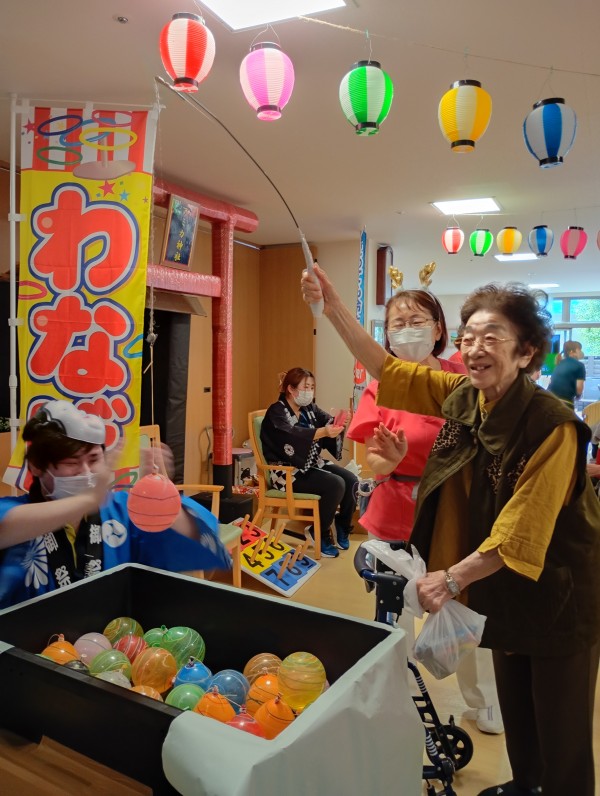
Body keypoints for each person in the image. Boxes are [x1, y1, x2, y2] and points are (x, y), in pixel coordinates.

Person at [302, 264, 600, 796]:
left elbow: (522, 527)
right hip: (503, 581)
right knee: (517, 707)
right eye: (470, 337)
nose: (476, 348)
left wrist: (452, 578)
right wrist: (332, 306)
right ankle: (524, 786)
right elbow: (387, 369)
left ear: (526, 352)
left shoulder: (553, 426)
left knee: (561, 729)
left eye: (493, 337)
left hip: (560, 590)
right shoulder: (465, 394)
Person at [347, 289, 504, 734]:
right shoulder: (380, 387)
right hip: (397, 511)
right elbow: (372, 460)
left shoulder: (462, 379)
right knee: (394, 612)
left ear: (438, 329)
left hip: (456, 511)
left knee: (467, 605)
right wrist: (390, 461)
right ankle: (394, 700)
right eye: (396, 323)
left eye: (416, 320)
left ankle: (484, 701)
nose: (406, 330)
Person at [0, 401, 231, 608]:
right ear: (36, 467)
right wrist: (89, 500)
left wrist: (162, 500)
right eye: (71, 462)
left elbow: (198, 537)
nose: (86, 472)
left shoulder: (122, 510)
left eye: (93, 459)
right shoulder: (17, 514)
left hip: (115, 639)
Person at [260, 367, 357, 558]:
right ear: (291, 389)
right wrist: (323, 432)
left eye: (312, 387)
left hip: (311, 464)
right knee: (336, 484)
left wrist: (338, 423)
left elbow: (326, 420)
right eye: (306, 387)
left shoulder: (309, 409)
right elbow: (291, 435)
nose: (310, 391)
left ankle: (342, 525)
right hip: (286, 472)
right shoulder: (276, 411)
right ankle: (318, 532)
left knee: (352, 480)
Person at [548, 340, 586, 407]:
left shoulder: (559, 363)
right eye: (579, 350)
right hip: (565, 402)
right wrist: (578, 396)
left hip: (550, 399)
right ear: (571, 352)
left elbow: (551, 382)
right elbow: (579, 388)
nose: (581, 352)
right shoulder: (580, 365)